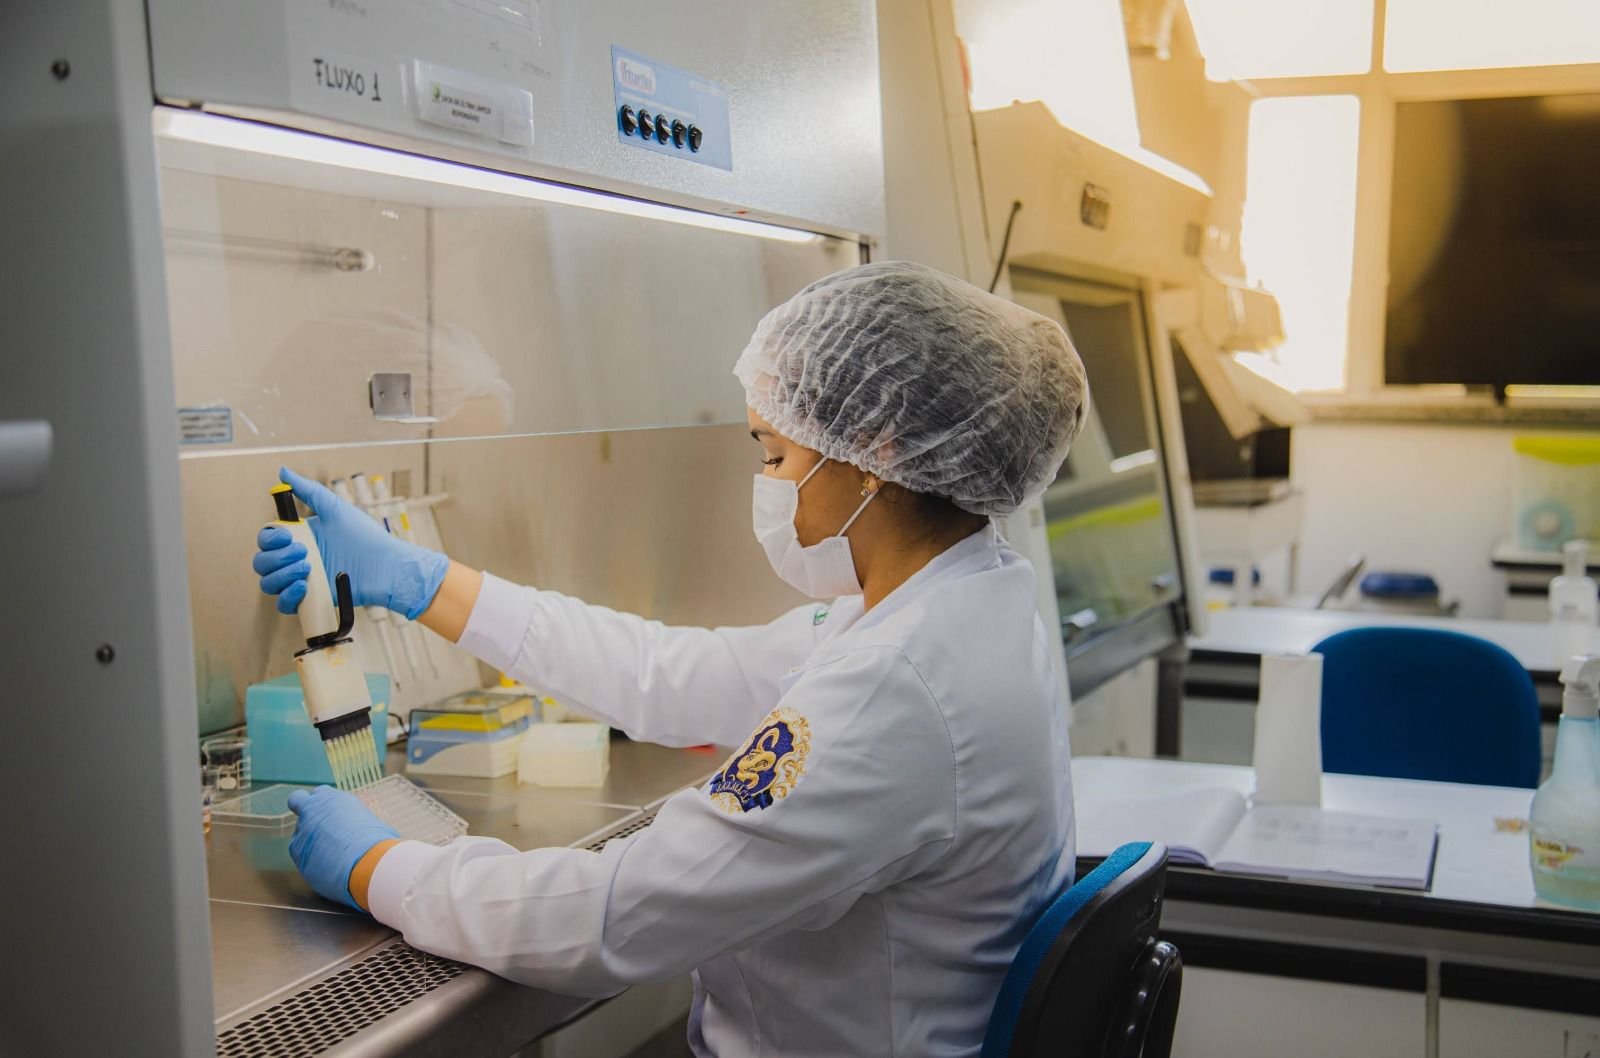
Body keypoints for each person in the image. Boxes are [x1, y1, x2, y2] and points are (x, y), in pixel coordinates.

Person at [255, 261, 1089, 1057]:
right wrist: (426, 583)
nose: (767, 481)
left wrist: (380, 867)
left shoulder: (897, 687)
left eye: (775, 455)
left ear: (878, 452)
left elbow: (613, 917)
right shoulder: (963, 602)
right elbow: (669, 673)